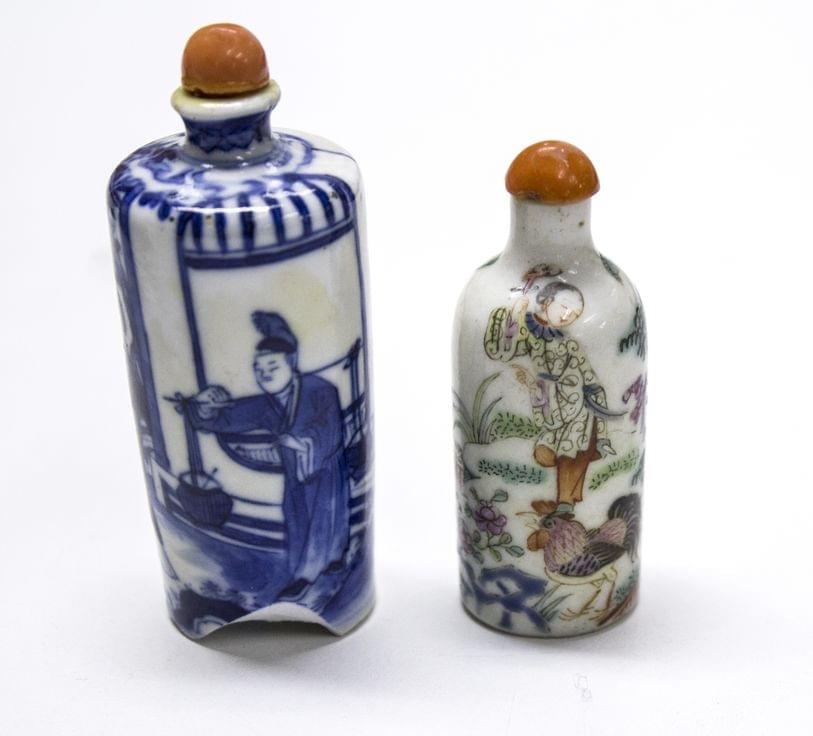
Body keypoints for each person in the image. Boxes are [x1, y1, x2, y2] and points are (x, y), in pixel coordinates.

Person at [190, 311, 350, 599]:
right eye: (258, 369)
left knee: (327, 517)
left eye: (272, 366)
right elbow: (228, 417)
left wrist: (302, 442)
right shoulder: (266, 404)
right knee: (297, 519)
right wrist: (203, 406)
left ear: (291, 363)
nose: (264, 374)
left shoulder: (321, 389)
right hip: (296, 475)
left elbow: (329, 426)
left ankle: (316, 570)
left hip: (323, 467)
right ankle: (304, 571)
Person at [484, 271, 616, 514]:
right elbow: (500, 352)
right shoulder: (527, 329)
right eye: (564, 307)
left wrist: (599, 410)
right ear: (545, 302)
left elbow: (589, 377)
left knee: (572, 452)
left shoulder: (570, 342)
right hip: (551, 405)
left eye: (575, 315)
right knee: (546, 453)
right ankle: (565, 503)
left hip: (579, 406)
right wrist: (514, 316)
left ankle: (565, 505)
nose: (568, 316)